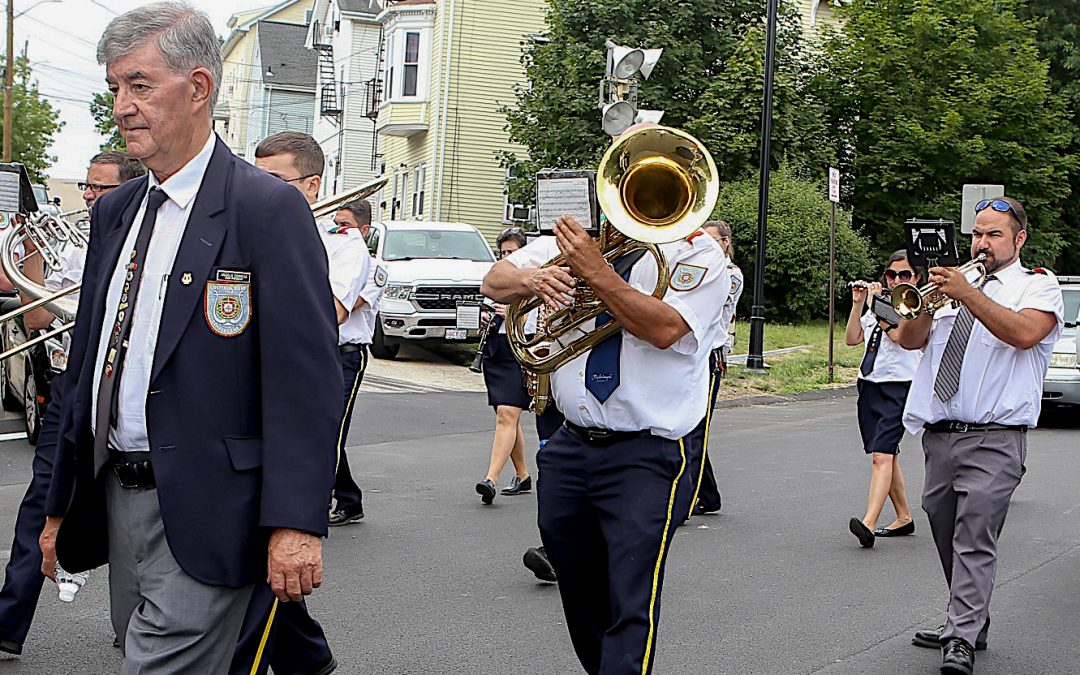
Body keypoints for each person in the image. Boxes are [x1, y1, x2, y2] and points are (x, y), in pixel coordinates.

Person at [37, 4, 343, 673]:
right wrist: (58, 505)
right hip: (118, 494)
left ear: (199, 88)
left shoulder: (265, 209)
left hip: (209, 506)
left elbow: (306, 380)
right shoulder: (116, 211)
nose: (122, 105)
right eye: (115, 87)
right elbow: (86, 366)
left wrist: (297, 522)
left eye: (140, 85)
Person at [482, 212, 728, 675]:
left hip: (647, 451)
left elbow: (664, 329)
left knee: (629, 596)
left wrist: (595, 271)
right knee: (579, 591)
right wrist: (533, 278)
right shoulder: (581, 241)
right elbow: (494, 282)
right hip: (569, 443)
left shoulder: (697, 251)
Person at [894, 196, 1062, 675]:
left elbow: (1024, 334)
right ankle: (969, 620)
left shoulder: (1037, 286)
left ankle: (961, 636)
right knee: (943, 526)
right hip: (941, 433)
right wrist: (928, 300)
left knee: (973, 536)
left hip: (996, 435)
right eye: (977, 233)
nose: (982, 243)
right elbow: (909, 340)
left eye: (993, 235)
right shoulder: (955, 287)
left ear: (1019, 239)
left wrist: (967, 293)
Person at [0, 152, 143, 657]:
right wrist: (30, 254)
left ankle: (141, 622)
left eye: (99, 189)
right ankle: (7, 625)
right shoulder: (72, 246)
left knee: (143, 510)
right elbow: (37, 321)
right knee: (42, 506)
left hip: (127, 395)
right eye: (85, 186)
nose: (86, 196)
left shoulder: (146, 242)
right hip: (69, 388)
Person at [243, 130, 373, 675]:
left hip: (325, 363)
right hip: (255, 369)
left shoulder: (344, 246)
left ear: (312, 186)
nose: (258, 193)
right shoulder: (247, 232)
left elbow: (330, 315)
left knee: (309, 465)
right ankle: (305, 654)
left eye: (273, 182)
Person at [844, 250, 921, 548]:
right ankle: (903, 516)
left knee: (881, 456)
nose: (897, 280)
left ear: (916, 278)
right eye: (891, 275)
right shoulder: (877, 307)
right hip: (870, 385)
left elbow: (898, 336)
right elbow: (852, 338)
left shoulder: (912, 306)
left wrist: (879, 306)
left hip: (899, 386)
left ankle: (869, 523)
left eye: (904, 275)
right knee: (887, 454)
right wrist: (858, 304)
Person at [325, 197, 385, 526]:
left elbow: (351, 302)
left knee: (333, 429)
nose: (337, 229)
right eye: (335, 223)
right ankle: (349, 498)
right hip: (325, 350)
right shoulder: (333, 254)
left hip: (348, 354)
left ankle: (324, 500)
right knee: (323, 428)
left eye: (343, 224)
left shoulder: (373, 267)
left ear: (364, 229)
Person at [683, 220, 743, 518]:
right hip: (690, 352)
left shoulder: (731, 274)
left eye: (709, 241)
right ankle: (708, 495)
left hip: (710, 354)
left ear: (724, 243)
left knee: (696, 430)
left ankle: (686, 500)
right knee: (686, 425)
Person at [475, 227, 534, 504]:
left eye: (512, 252)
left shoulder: (535, 277)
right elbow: (484, 304)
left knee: (507, 415)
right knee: (506, 415)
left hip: (519, 349)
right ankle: (523, 475)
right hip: (496, 350)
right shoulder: (498, 278)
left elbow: (544, 317)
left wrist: (513, 312)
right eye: (503, 253)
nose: (507, 257)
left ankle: (491, 479)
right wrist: (484, 320)